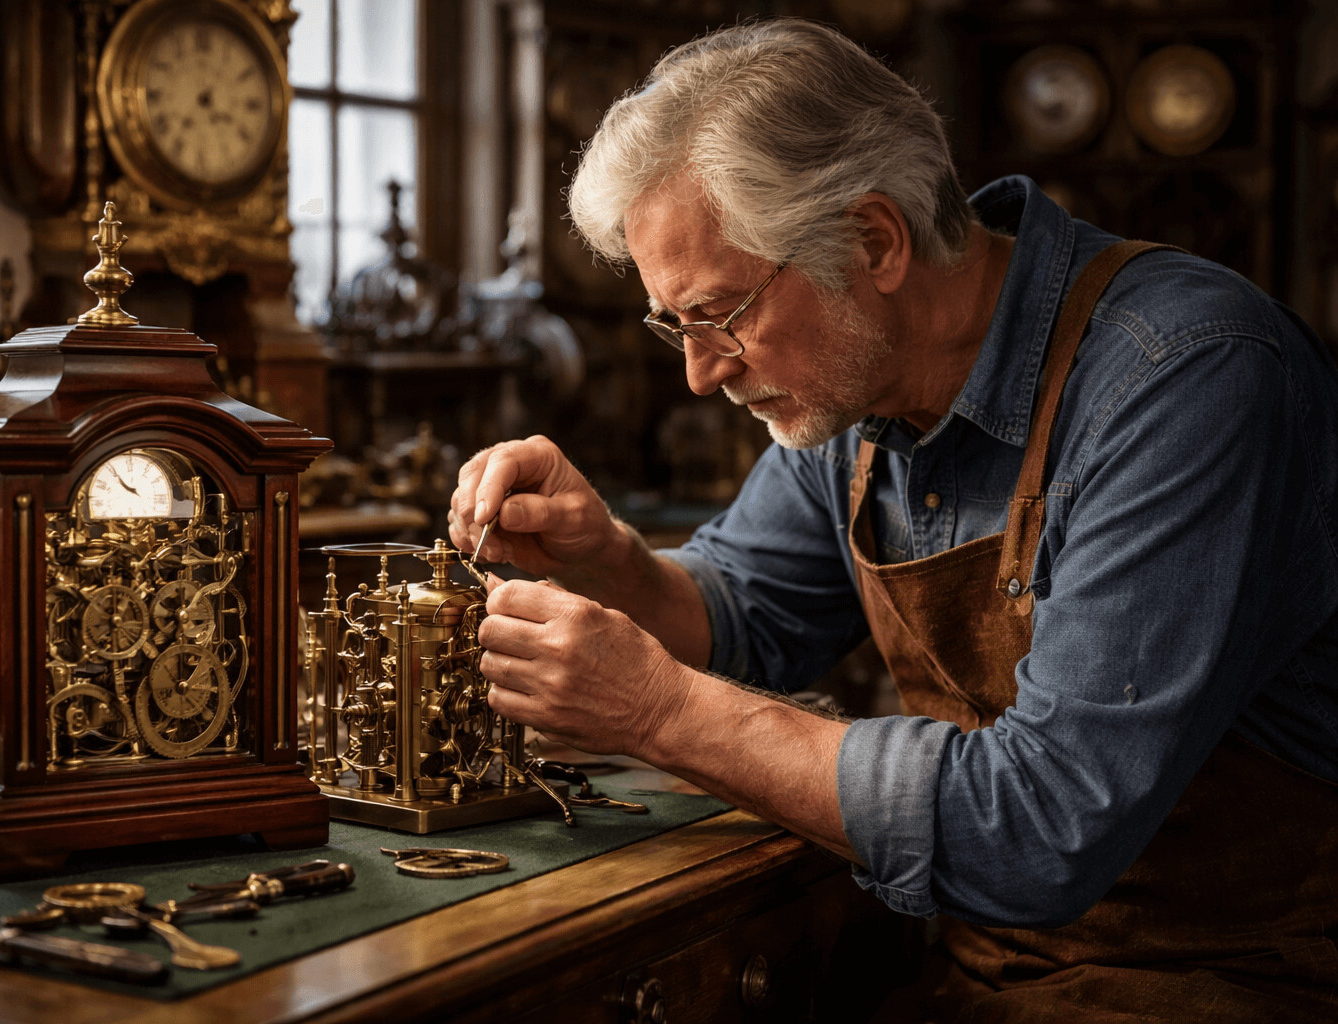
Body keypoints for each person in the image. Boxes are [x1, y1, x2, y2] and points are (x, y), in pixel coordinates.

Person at [448, 18, 1338, 1021]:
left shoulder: (1184, 377)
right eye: (675, 326)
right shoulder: (856, 387)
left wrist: (658, 709)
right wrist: (606, 558)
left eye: (721, 315)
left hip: (1230, 984)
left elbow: (1045, 826)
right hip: (976, 971)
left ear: (873, 240)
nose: (700, 373)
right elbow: (748, 614)